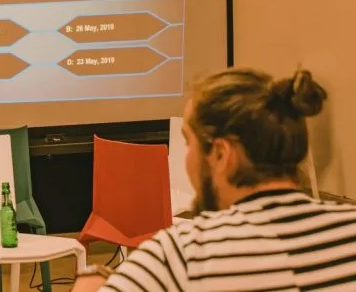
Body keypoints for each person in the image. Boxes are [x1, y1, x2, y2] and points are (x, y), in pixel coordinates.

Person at [73, 68, 356, 291]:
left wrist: (93, 279)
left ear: (221, 154)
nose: (186, 161)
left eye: (189, 144)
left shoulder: (182, 256)